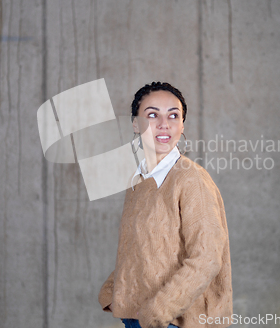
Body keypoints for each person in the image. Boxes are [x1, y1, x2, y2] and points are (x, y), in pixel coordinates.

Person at [98, 82, 233, 328]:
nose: (164, 124)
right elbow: (143, 249)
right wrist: (113, 290)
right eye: (152, 114)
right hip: (138, 318)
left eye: (173, 115)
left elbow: (208, 258)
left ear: (182, 126)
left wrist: (158, 311)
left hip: (174, 322)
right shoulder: (139, 180)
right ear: (135, 124)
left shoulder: (191, 179)